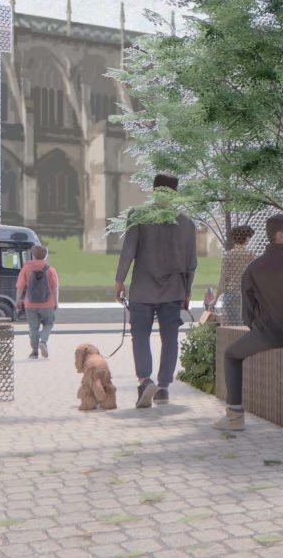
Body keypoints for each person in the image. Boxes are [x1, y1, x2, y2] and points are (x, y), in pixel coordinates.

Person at [221, 214, 283, 431]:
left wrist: (259, 330)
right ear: (279, 235)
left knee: (230, 355)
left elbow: (248, 313)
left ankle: (234, 415)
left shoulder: (253, 268)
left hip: (267, 334)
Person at [114, 173, 199, 409]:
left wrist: (119, 280)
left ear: (153, 189)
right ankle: (163, 388)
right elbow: (192, 263)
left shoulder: (138, 215)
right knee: (169, 338)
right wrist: (187, 292)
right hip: (173, 290)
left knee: (140, 334)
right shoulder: (186, 222)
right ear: (176, 192)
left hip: (143, 288)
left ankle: (145, 380)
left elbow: (129, 250)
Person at [15, 243, 60, 359]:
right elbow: (55, 287)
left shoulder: (26, 268)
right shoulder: (50, 270)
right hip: (47, 303)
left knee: (33, 327)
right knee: (49, 324)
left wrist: (18, 300)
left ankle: (34, 352)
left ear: (33, 256)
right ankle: (43, 342)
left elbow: (20, 285)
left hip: (30, 303)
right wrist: (56, 301)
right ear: (45, 256)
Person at [207, 225, 254, 323]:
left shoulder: (228, 256)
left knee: (231, 326)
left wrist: (215, 299)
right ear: (247, 239)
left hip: (231, 293)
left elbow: (223, 279)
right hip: (246, 295)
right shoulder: (251, 256)